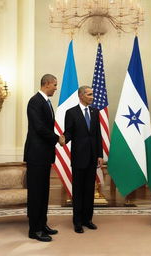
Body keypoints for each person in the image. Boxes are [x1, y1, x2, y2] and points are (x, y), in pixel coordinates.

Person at [24, 74, 65, 242]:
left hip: (44, 155)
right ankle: (34, 230)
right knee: (36, 193)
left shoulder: (46, 102)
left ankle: (42, 224)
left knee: (43, 192)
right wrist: (58, 138)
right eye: (55, 85)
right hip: (36, 155)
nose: (56, 88)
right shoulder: (35, 102)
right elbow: (39, 128)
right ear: (47, 84)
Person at [64, 85, 103, 233]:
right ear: (81, 96)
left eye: (92, 94)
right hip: (79, 158)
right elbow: (68, 133)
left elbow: (98, 135)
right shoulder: (71, 113)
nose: (92, 97)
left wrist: (100, 154)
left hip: (93, 158)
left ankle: (88, 220)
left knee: (89, 191)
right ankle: (78, 222)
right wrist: (62, 139)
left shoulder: (95, 112)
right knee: (79, 191)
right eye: (89, 94)